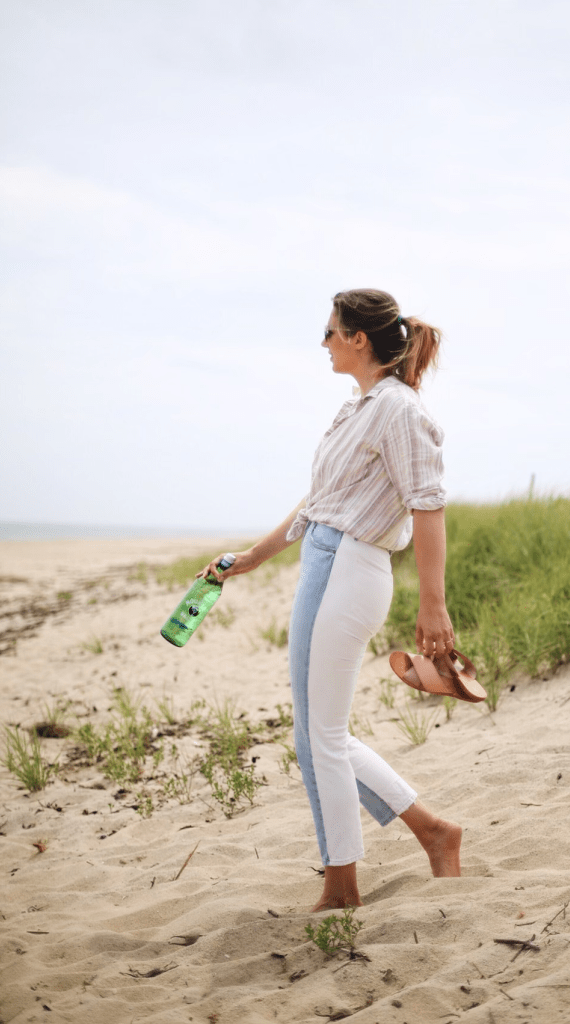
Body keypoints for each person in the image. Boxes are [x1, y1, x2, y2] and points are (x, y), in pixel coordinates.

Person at [197, 288, 462, 911]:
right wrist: (256, 557)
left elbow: (428, 503)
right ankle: (433, 832)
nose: (323, 342)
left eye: (331, 331)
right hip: (326, 560)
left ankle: (342, 885)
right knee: (319, 735)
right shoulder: (360, 409)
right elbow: (319, 503)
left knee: (322, 736)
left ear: (358, 339)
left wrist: (434, 602)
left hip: (349, 567)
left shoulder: (398, 410)